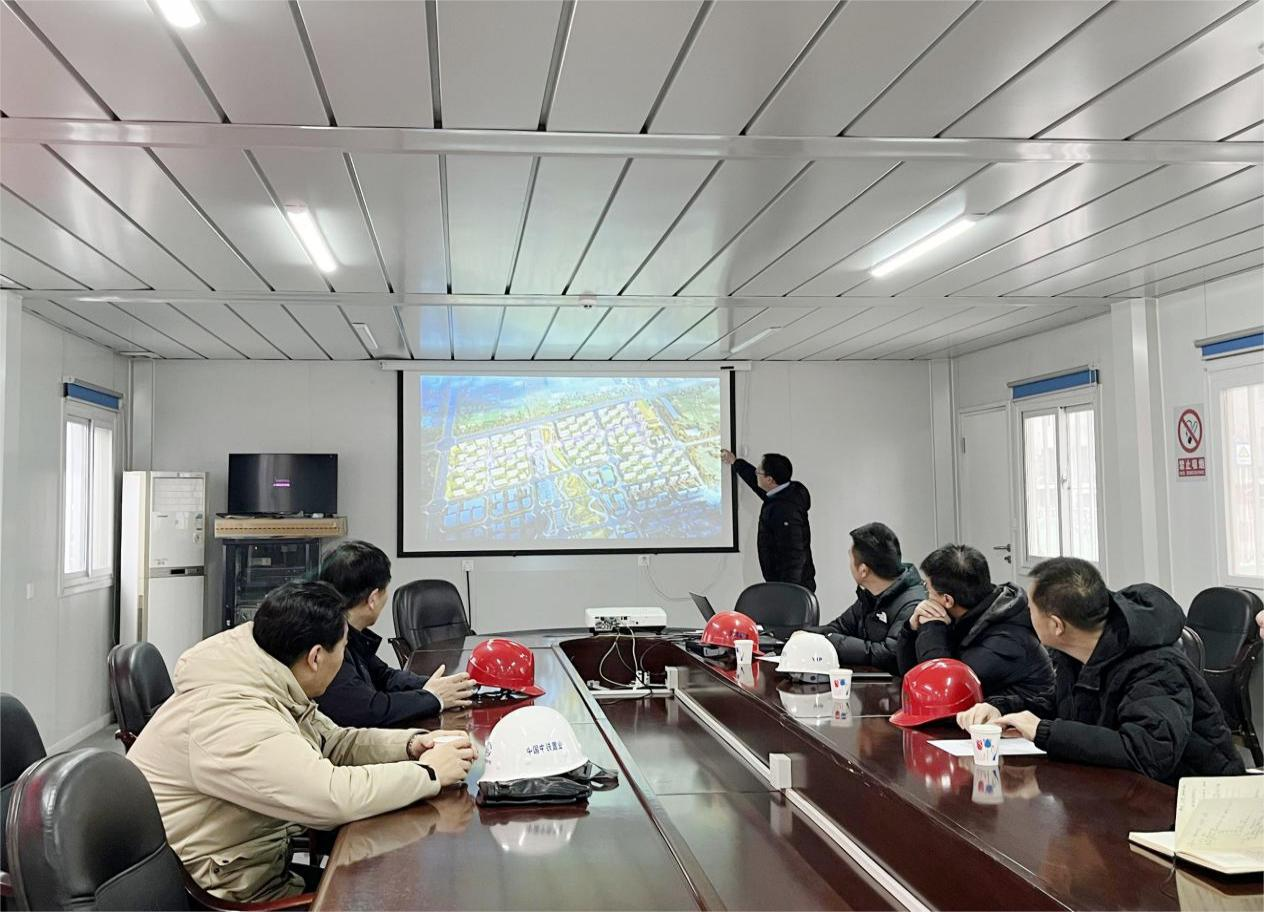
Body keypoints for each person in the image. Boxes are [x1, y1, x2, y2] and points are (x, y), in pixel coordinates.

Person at [127, 581, 477, 903]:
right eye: (343, 650)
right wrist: (428, 774)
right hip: (232, 894)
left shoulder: (266, 673)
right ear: (316, 657)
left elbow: (333, 742)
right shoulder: (232, 716)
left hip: (256, 864)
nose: (343, 662)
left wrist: (411, 745)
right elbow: (332, 797)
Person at [957, 558, 1244, 784]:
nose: (1025, 614)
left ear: (1056, 625)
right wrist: (1002, 709)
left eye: (1030, 608)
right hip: (1123, 794)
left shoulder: (1155, 667)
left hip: (1192, 806)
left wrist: (1044, 731)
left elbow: (1148, 752)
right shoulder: (1078, 650)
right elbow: (1061, 706)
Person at [316, 540, 475, 727]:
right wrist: (432, 697)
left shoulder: (344, 631)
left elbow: (384, 676)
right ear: (373, 599)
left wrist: (436, 685)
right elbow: (368, 710)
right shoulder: (330, 644)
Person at [896, 544, 1054, 715]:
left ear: (947, 600)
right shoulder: (970, 612)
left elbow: (940, 693)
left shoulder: (1006, 640)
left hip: (1014, 726)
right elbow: (910, 674)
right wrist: (912, 628)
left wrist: (932, 625)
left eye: (928, 589)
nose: (926, 596)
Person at [800, 523, 924, 673]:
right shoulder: (870, 595)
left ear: (863, 570)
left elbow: (888, 654)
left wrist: (829, 640)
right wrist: (806, 636)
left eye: (850, 559)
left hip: (896, 685)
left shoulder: (912, 604)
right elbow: (839, 627)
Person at [720, 449, 815, 591]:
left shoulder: (786, 510)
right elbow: (755, 481)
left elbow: (795, 554)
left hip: (792, 588)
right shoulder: (783, 493)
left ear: (770, 480)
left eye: (759, 471)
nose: (756, 473)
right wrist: (735, 462)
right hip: (783, 584)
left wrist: (789, 592)